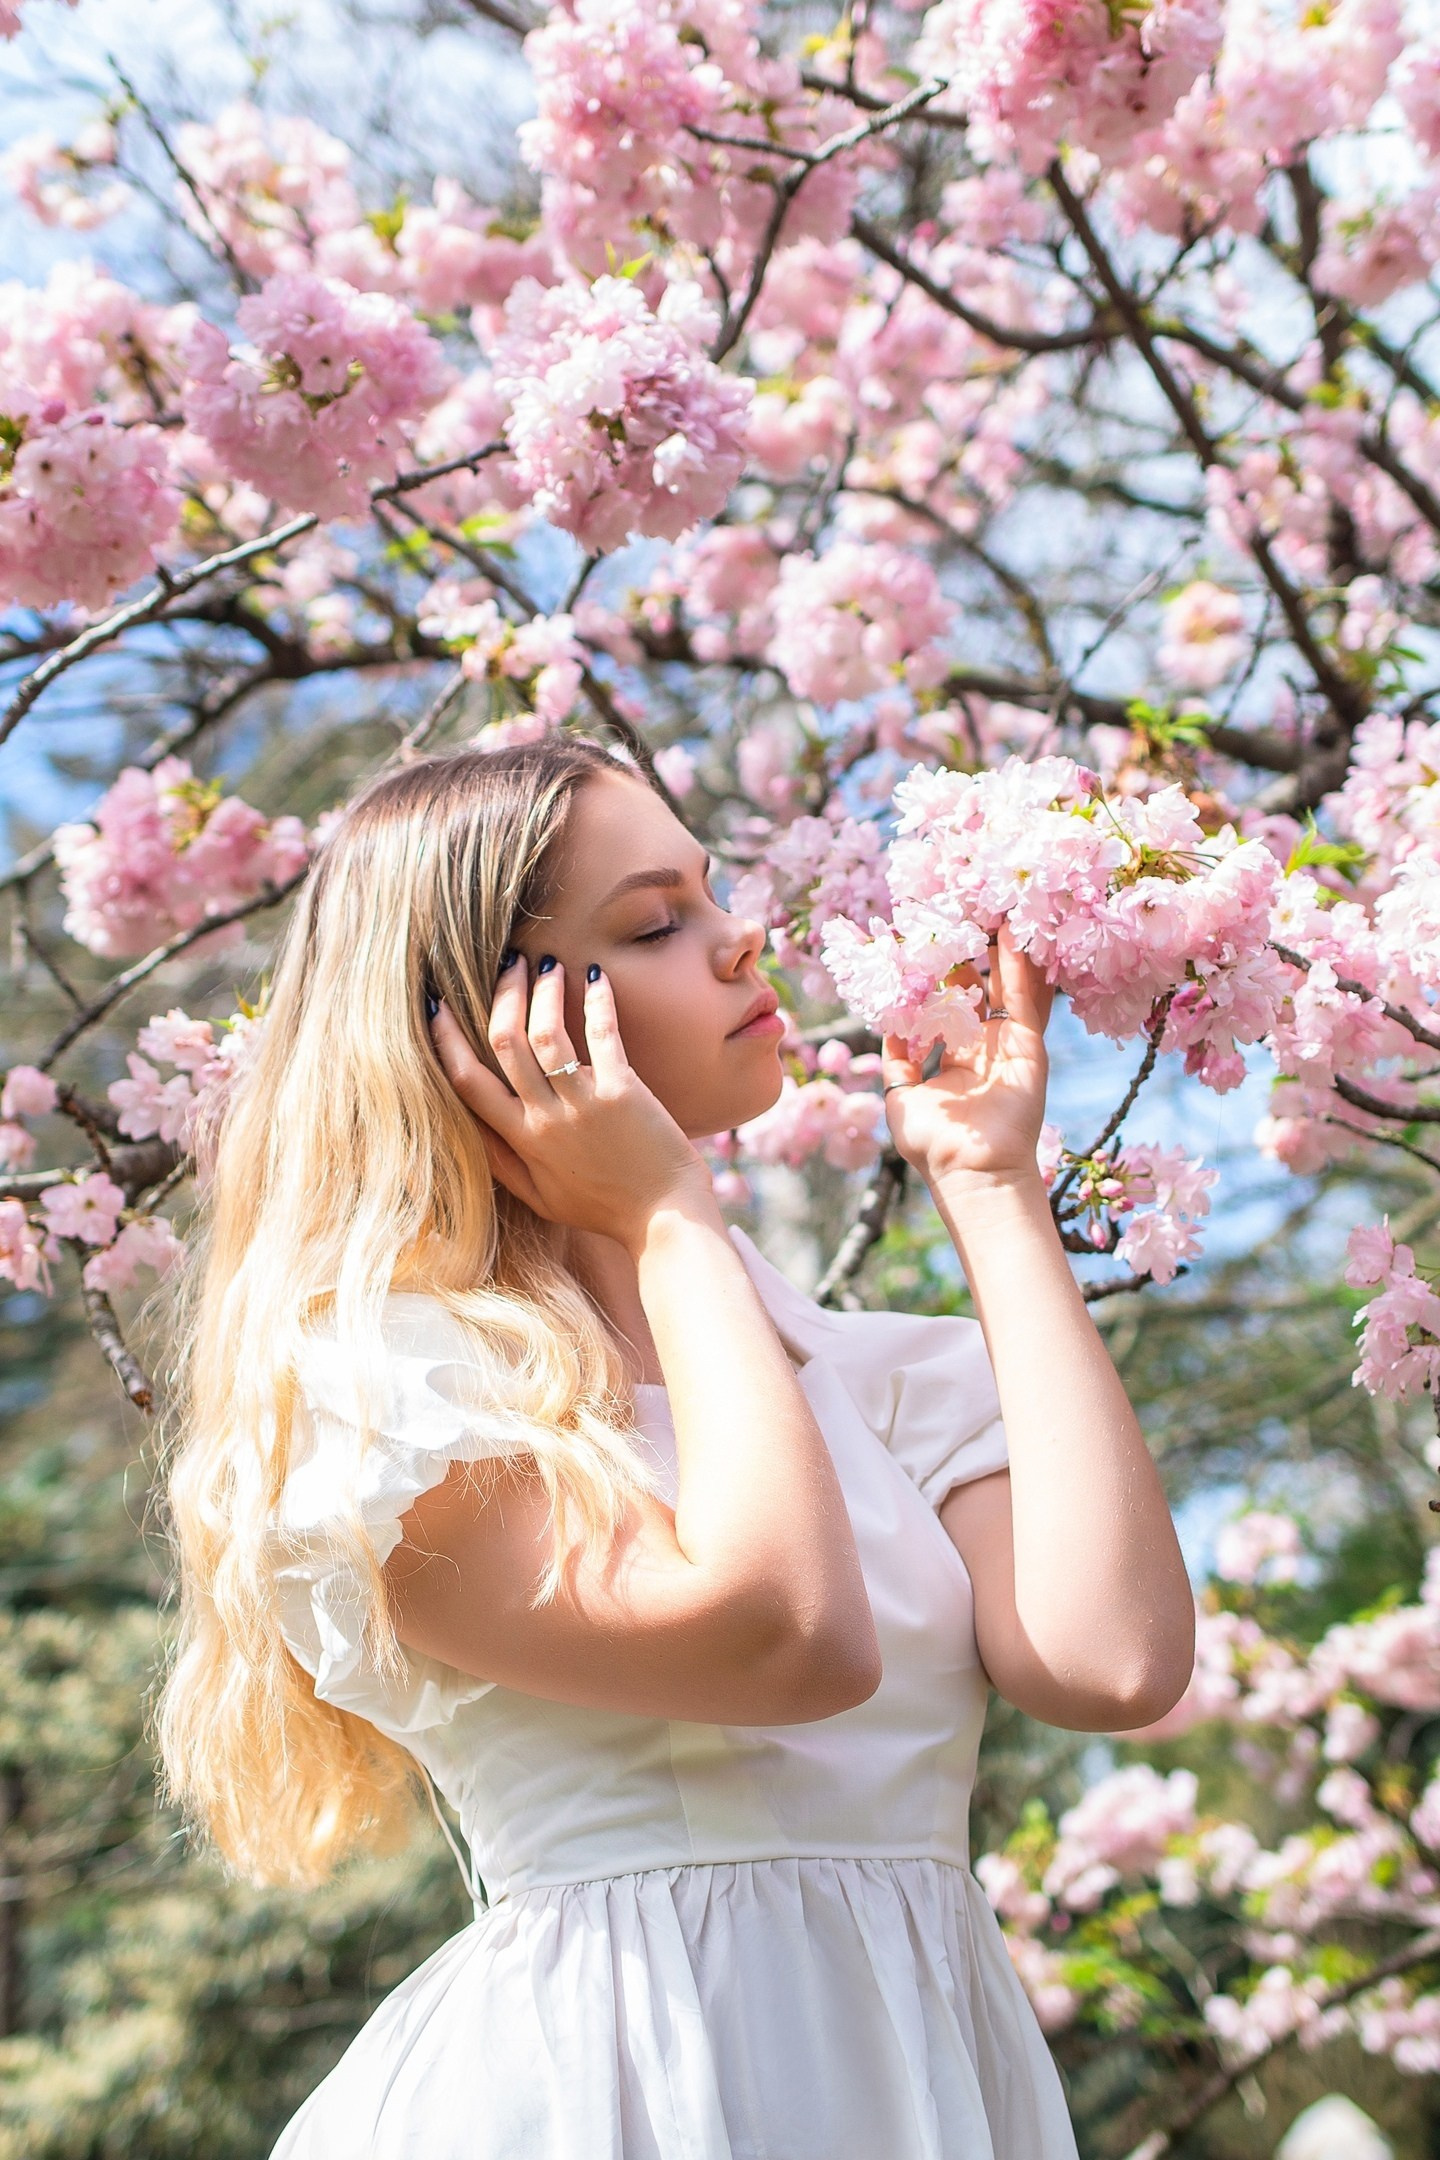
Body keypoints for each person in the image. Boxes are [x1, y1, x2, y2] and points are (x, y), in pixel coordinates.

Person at [156, 734, 1196, 2159]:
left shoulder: (882, 1377)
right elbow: (788, 1644)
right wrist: (665, 1218)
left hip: (921, 2075)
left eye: (712, 895)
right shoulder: (395, 1397)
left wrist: (994, 1186)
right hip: (618, 2087)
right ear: (483, 1026)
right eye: (655, 922)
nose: (738, 940)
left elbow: (1113, 1663)